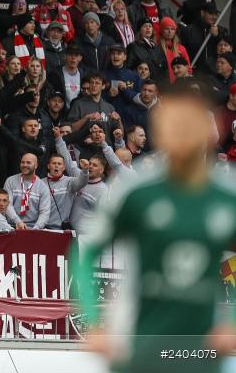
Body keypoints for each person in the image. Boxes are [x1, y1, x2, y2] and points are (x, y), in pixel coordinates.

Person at [77, 84, 236, 373]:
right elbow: (86, 254)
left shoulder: (228, 196)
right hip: (136, 350)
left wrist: (232, 323)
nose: (179, 132)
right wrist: (94, 321)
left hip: (203, 355)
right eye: (170, 124)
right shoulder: (135, 192)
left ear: (211, 131)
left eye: (187, 123)